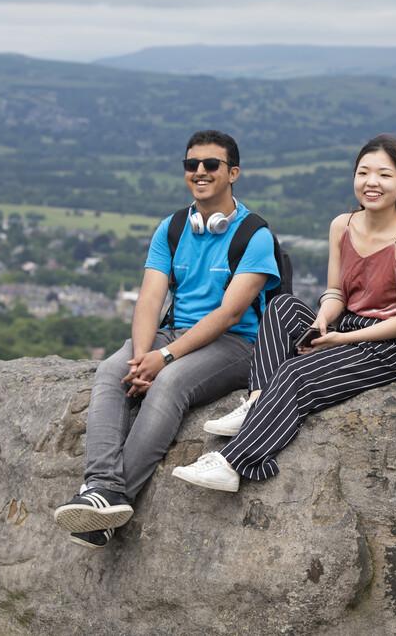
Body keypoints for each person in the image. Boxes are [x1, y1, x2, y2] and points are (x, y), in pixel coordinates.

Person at [171, 134, 396, 491]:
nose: (371, 183)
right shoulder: (342, 225)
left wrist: (341, 339)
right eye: (363, 173)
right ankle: (257, 402)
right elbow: (336, 292)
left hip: (386, 346)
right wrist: (323, 319)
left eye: (384, 175)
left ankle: (235, 461)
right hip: (343, 326)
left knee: (298, 372)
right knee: (281, 305)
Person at [53, 130, 280, 548]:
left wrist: (166, 358)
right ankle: (99, 489)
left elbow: (230, 313)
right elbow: (150, 297)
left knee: (170, 385)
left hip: (235, 344)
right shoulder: (173, 228)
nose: (199, 172)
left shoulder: (255, 236)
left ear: (233, 173)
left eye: (210, 165)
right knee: (111, 371)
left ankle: (115, 496)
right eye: (191, 165)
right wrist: (142, 358)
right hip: (171, 333)